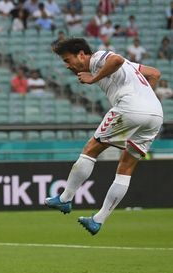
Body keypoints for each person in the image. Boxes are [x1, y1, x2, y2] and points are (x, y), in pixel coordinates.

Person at [46, 38, 163, 236]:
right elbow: (154, 73)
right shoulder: (130, 66)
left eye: (67, 60)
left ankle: (65, 198)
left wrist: (93, 78)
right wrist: (144, 99)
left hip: (130, 108)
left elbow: (115, 59)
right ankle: (97, 220)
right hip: (155, 115)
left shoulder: (99, 57)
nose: (67, 66)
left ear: (82, 54)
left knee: (91, 149)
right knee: (125, 167)